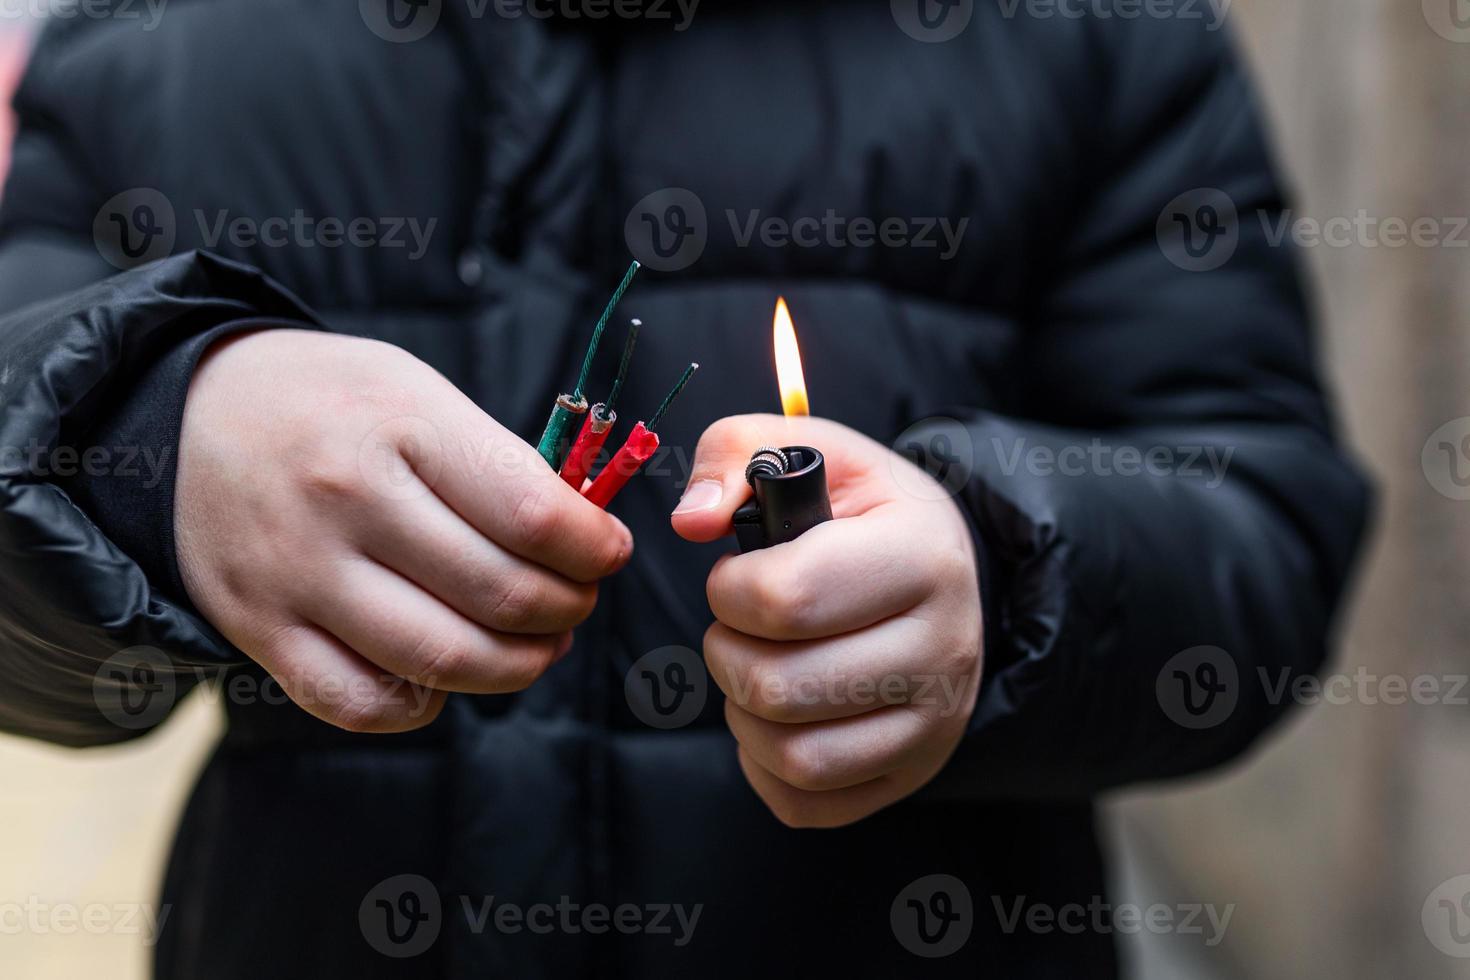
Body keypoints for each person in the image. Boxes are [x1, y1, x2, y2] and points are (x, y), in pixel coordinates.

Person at [0, 3, 1369, 977]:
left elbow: (1259, 520)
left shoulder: (1086, 30)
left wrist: (1004, 571)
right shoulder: (153, 38)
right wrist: (154, 431)